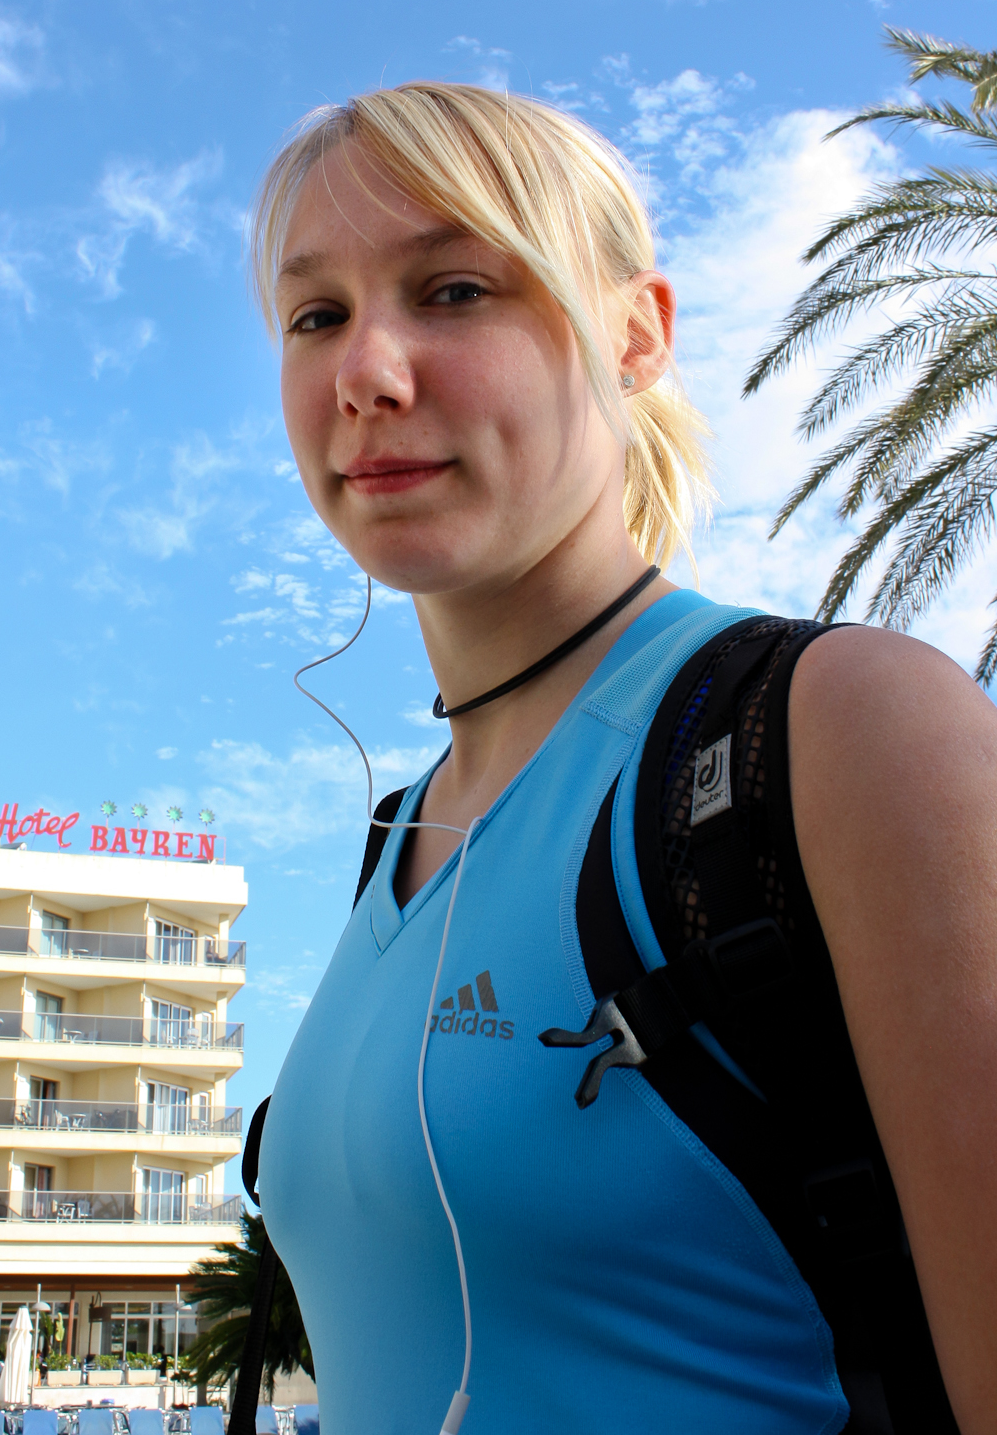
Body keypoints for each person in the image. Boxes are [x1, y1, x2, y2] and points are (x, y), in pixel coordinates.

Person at [253, 83, 997, 1435]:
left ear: (636, 334)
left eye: (455, 290)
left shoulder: (840, 732)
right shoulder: (400, 836)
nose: (367, 373)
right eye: (317, 316)